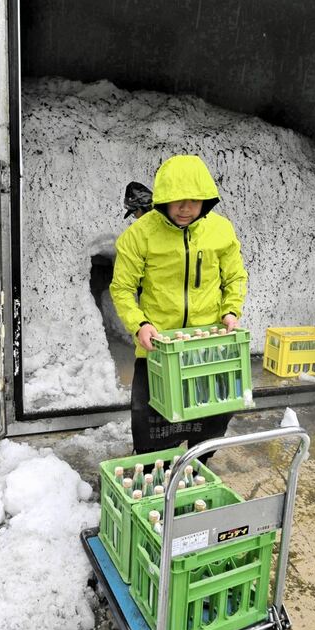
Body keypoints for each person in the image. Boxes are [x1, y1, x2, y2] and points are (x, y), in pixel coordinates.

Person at [110, 154, 248, 454]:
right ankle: (151, 471)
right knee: (152, 424)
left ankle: (198, 469)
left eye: (194, 200)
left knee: (209, 418)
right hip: (157, 347)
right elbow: (121, 288)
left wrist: (231, 309)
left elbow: (235, 276)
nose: (186, 209)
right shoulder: (139, 234)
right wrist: (139, 325)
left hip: (205, 348)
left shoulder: (221, 231)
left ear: (206, 200)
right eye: (177, 200)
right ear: (162, 199)